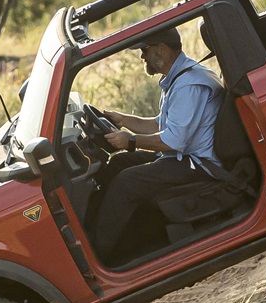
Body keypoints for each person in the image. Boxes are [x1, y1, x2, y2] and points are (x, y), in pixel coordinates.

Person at [89, 26, 224, 264]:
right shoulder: (178, 78)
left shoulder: (188, 85)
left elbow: (173, 141)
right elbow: (160, 126)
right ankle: (96, 230)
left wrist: (129, 141)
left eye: (145, 50)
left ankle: (100, 257)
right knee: (119, 163)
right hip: (184, 157)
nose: (142, 56)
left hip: (199, 165)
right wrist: (124, 120)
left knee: (126, 182)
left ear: (161, 49)